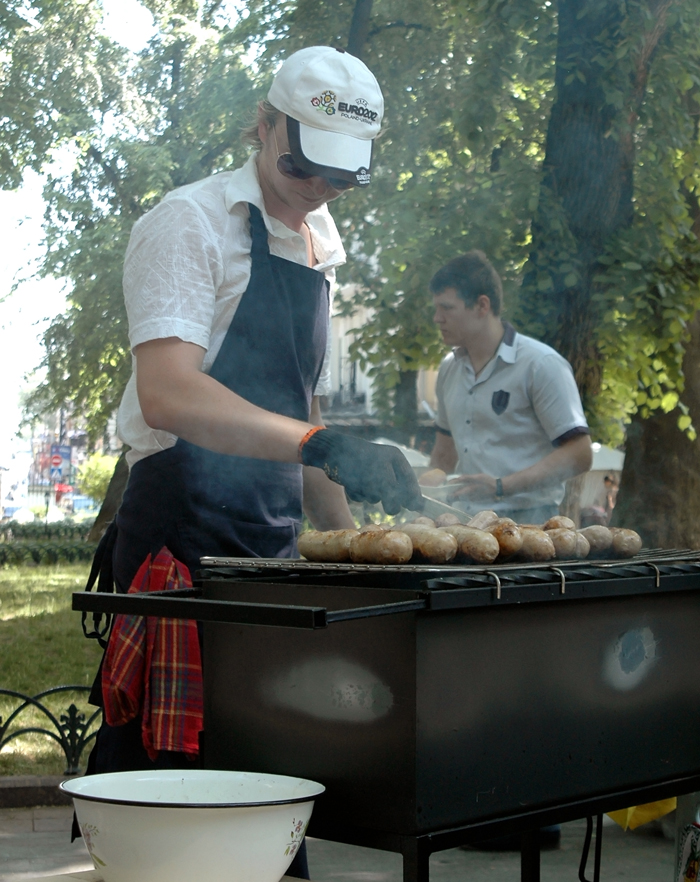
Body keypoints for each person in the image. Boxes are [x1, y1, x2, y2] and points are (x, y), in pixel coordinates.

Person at [79, 46, 423, 878]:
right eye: (303, 163)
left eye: (340, 176)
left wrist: (352, 553)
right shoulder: (188, 222)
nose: (317, 188)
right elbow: (168, 391)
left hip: (270, 563)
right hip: (182, 547)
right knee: (180, 811)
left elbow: (299, 414)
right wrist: (318, 442)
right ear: (263, 124)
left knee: (267, 803)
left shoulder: (319, 243)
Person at [427, 250, 592, 524]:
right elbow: (444, 454)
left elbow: (580, 454)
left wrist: (502, 486)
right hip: (465, 522)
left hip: (532, 524)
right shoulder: (449, 368)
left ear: (482, 306)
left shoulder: (541, 365)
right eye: (436, 308)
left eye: (447, 308)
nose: (437, 318)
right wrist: (424, 493)